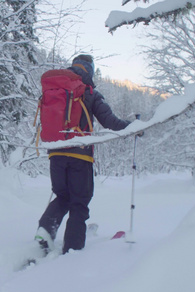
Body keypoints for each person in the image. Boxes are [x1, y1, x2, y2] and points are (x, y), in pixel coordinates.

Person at [35, 54, 131, 255]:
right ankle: (73, 250)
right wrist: (133, 128)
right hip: (80, 155)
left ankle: (45, 230)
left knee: (62, 196)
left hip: (56, 153)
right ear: (90, 70)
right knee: (79, 201)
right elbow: (110, 122)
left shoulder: (58, 88)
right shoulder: (89, 92)